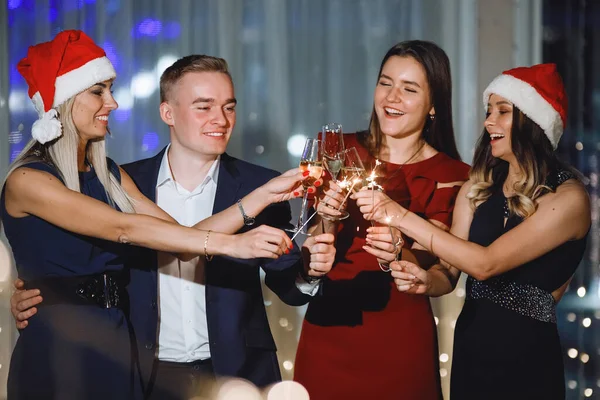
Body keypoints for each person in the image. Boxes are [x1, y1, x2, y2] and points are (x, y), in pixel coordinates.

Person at [9, 46, 336, 400]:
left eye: (229, 106)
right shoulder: (28, 179)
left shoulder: (110, 177)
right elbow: (125, 229)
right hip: (89, 351)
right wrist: (236, 242)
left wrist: (264, 195)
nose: (113, 103)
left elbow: (181, 240)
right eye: (98, 91)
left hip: (134, 353)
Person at [354, 63, 590, 400]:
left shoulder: (568, 198)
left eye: (502, 111)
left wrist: (399, 215)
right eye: (488, 110)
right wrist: (425, 280)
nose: (488, 122)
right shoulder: (477, 188)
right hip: (471, 350)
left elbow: (485, 264)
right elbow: (448, 273)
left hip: (528, 361)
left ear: (534, 122)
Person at [293, 40, 470, 400]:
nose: (392, 97)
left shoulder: (454, 174)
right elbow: (314, 243)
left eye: (409, 89)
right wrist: (325, 220)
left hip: (400, 338)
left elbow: (444, 276)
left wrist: (400, 255)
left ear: (433, 103)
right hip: (330, 327)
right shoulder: (337, 149)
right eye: (386, 82)